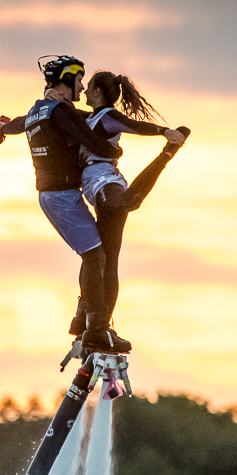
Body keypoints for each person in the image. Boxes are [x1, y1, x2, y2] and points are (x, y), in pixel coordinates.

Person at [0, 55, 131, 352]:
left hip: (55, 196)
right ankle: (96, 328)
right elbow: (89, 136)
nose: (82, 88)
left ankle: (83, 321)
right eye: (79, 81)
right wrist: (113, 151)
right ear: (67, 80)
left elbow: (18, 123)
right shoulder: (61, 113)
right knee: (96, 256)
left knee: (92, 253)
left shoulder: (39, 110)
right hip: (61, 197)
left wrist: (3, 128)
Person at [68, 70, 188, 337]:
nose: (85, 91)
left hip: (105, 181)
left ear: (98, 92)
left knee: (108, 259)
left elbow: (132, 125)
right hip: (95, 182)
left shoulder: (107, 117)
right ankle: (85, 316)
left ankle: (99, 324)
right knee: (96, 257)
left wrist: (164, 131)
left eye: (89, 87)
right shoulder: (88, 118)